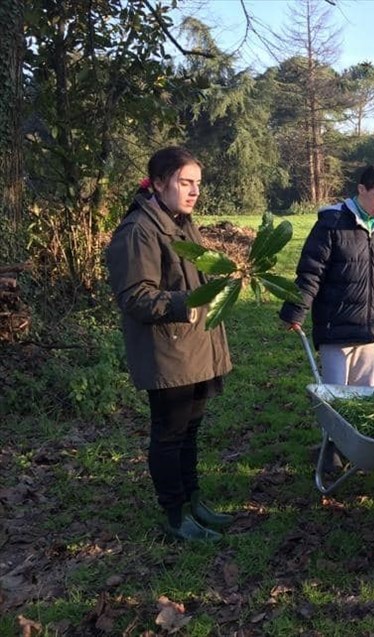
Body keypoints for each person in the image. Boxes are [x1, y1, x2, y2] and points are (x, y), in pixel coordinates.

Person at [106, 146, 233, 542]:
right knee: (169, 433)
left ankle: (194, 500)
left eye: (197, 183)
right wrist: (187, 304)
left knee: (191, 430)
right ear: (159, 183)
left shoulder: (183, 222)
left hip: (196, 347)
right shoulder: (139, 230)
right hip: (169, 352)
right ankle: (175, 515)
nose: (194, 191)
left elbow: (196, 275)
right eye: (185, 182)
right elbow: (134, 296)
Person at [279, 165, 374, 463]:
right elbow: (311, 272)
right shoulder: (333, 224)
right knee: (336, 398)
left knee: (364, 397)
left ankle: (359, 451)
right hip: (335, 327)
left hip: (368, 330)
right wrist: (296, 310)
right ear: (361, 190)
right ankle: (332, 451)